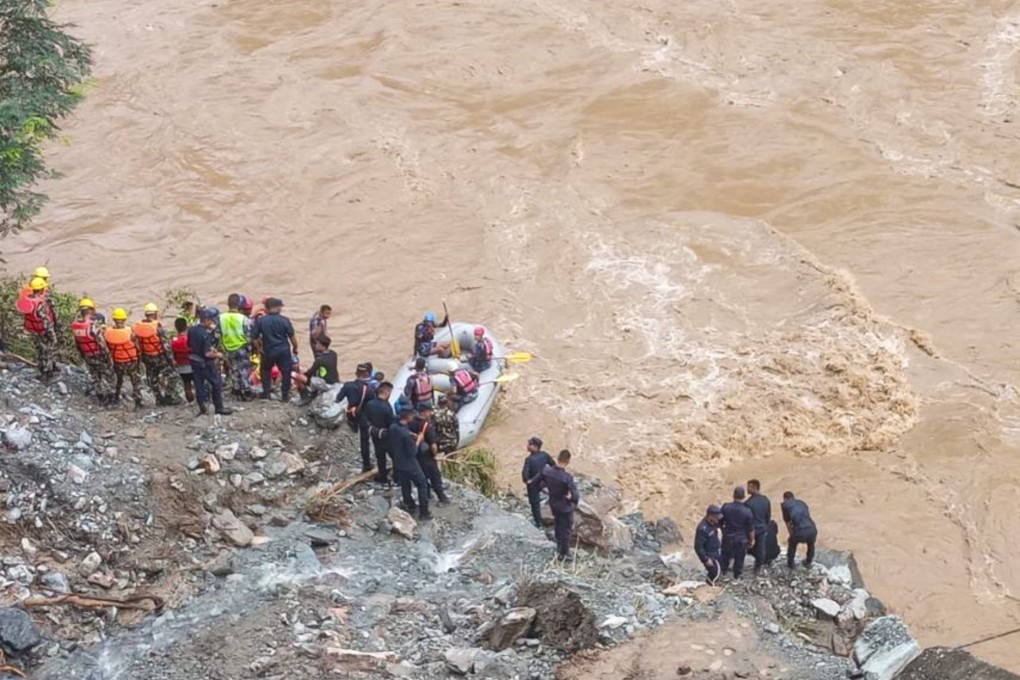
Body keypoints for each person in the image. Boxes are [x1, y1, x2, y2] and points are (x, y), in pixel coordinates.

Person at [133, 303, 182, 406]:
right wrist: (172, 360)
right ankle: (169, 396)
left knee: (152, 378)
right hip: (159, 357)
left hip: (146, 358)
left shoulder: (137, 328)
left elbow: (136, 344)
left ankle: (158, 399)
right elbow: (166, 347)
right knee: (174, 375)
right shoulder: (158, 328)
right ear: (155, 314)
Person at [388, 405, 430, 520]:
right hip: (409, 463)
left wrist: (411, 435)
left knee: (405, 483)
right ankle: (424, 512)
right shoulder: (405, 434)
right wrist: (418, 440)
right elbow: (413, 451)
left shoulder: (393, 427)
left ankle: (409, 504)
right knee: (422, 483)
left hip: (398, 461)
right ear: (408, 417)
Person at [188, 308, 232, 416]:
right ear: (207, 320)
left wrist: (208, 348)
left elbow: (189, 344)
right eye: (212, 320)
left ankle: (202, 408)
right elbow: (207, 354)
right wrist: (218, 355)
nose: (213, 322)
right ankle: (219, 408)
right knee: (216, 384)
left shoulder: (192, 330)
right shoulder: (206, 334)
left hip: (194, 361)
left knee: (199, 385)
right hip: (205, 364)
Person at [251, 298, 298, 402]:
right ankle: (285, 396)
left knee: (265, 370)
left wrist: (259, 348)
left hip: (268, 350)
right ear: (277, 308)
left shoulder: (261, 321)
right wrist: (295, 349)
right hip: (283, 350)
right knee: (286, 372)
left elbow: (253, 337)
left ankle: (266, 393)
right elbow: (292, 338)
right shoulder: (285, 320)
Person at [70, 298, 115, 405]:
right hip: (99, 355)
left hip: (87, 355)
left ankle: (100, 396)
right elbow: (102, 344)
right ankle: (110, 397)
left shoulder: (76, 326)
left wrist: (83, 356)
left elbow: (77, 343)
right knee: (109, 375)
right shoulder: (93, 326)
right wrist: (109, 358)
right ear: (91, 310)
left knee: (95, 376)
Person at [536, 449, 579, 561]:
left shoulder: (547, 471)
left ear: (558, 458)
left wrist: (547, 491)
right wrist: (573, 502)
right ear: (567, 461)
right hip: (565, 507)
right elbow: (575, 495)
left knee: (558, 524)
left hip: (553, 503)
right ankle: (564, 553)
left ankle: (558, 544)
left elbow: (539, 483)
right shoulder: (567, 478)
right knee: (566, 529)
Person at [336, 363, 376, 472]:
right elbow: (373, 404)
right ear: (367, 374)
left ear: (356, 373)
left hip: (351, 415)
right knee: (364, 441)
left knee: (358, 432)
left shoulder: (347, 385)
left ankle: (353, 427)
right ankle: (366, 464)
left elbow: (338, 399)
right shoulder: (368, 389)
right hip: (364, 416)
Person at [18, 277, 58, 381]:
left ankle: (42, 371)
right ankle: (47, 373)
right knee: (47, 351)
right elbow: (46, 321)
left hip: (33, 331)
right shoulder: (40, 303)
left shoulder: (27, 301)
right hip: (43, 331)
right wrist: (52, 335)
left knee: (39, 350)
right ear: (42, 289)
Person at [104, 308, 144, 410]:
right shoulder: (130, 332)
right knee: (135, 381)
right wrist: (139, 361)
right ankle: (138, 402)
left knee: (118, 380)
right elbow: (138, 348)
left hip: (117, 361)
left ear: (114, 319)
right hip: (131, 361)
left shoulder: (108, 333)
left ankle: (116, 399)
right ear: (124, 319)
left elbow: (107, 348)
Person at [410, 402, 450, 505]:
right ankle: (442, 498)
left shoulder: (411, 421)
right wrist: (435, 455)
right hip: (427, 456)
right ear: (424, 412)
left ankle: (427, 494)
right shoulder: (427, 425)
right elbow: (433, 445)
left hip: (416, 455)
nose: (430, 413)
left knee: (423, 476)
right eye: (429, 411)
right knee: (434, 476)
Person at [219, 293, 256, 400]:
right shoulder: (244, 319)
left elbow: (217, 334)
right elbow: (250, 335)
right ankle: (247, 392)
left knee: (234, 369)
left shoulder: (220, 318)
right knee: (244, 370)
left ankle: (236, 390)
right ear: (239, 305)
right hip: (242, 347)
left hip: (228, 348)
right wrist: (253, 349)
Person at [363, 381, 395, 483]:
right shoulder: (387, 407)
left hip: (375, 435)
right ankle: (397, 477)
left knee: (380, 458)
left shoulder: (370, 404)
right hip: (387, 436)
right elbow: (391, 423)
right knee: (394, 456)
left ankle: (383, 478)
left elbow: (366, 420)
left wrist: (372, 429)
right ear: (386, 392)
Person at [720, 486, 755, 580]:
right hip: (741, 538)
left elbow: (720, 521)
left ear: (733, 495)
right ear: (743, 497)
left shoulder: (726, 507)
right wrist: (751, 540)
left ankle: (722, 573)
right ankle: (737, 576)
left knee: (725, 556)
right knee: (739, 558)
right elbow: (750, 529)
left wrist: (723, 530)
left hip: (727, 537)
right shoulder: (747, 511)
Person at [521, 437, 554, 528]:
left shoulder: (529, 459)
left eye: (530, 445)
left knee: (535, 504)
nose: (527, 446)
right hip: (544, 482)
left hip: (533, 484)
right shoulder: (545, 455)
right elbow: (553, 464)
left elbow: (525, 473)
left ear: (535, 447)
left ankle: (538, 524)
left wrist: (527, 480)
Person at [296, 335, 339, 404]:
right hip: (334, 381)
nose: (315, 345)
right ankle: (314, 392)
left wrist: (303, 373)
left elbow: (310, 373)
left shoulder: (320, 359)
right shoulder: (333, 354)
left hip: (326, 384)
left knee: (298, 377)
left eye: (317, 344)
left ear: (323, 346)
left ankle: (305, 397)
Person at [782, 491, 818, 569]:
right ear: (793, 497)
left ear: (785, 499)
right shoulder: (802, 503)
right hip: (812, 529)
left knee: (792, 543)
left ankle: (791, 564)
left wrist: (792, 534)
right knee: (811, 544)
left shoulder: (785, 505)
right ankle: (808, 562)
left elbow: (787, 523)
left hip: (800, 531)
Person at [745, 479, 773, 575]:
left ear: (754, 487)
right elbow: (768, 516)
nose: (747, 489)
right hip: (762, 529)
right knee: (761, 549)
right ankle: (758, 567)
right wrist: (765, 526)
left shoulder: (748, 503)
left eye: (749, 487)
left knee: (746, 547)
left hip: (750, 530)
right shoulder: (765, 500)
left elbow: (746, 519)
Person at [694, 505, 724, 585]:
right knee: (714, 572)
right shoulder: (702, 529)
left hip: (716, 551)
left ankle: (713, 583)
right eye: (716, 517)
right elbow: (698, 546)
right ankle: (708, 585)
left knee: (720, 569)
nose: (718, 519)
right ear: (710, 516)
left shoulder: (713, 523)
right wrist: (705, 559)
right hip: (709, 554)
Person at [171, 317, 195, 403]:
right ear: (186, 326)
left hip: (181, 367)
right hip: (192, 365)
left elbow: (173, 354)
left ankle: (190, 401)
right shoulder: (189, 339)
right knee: (198, 383)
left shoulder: (174, 341)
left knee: (187, 385)